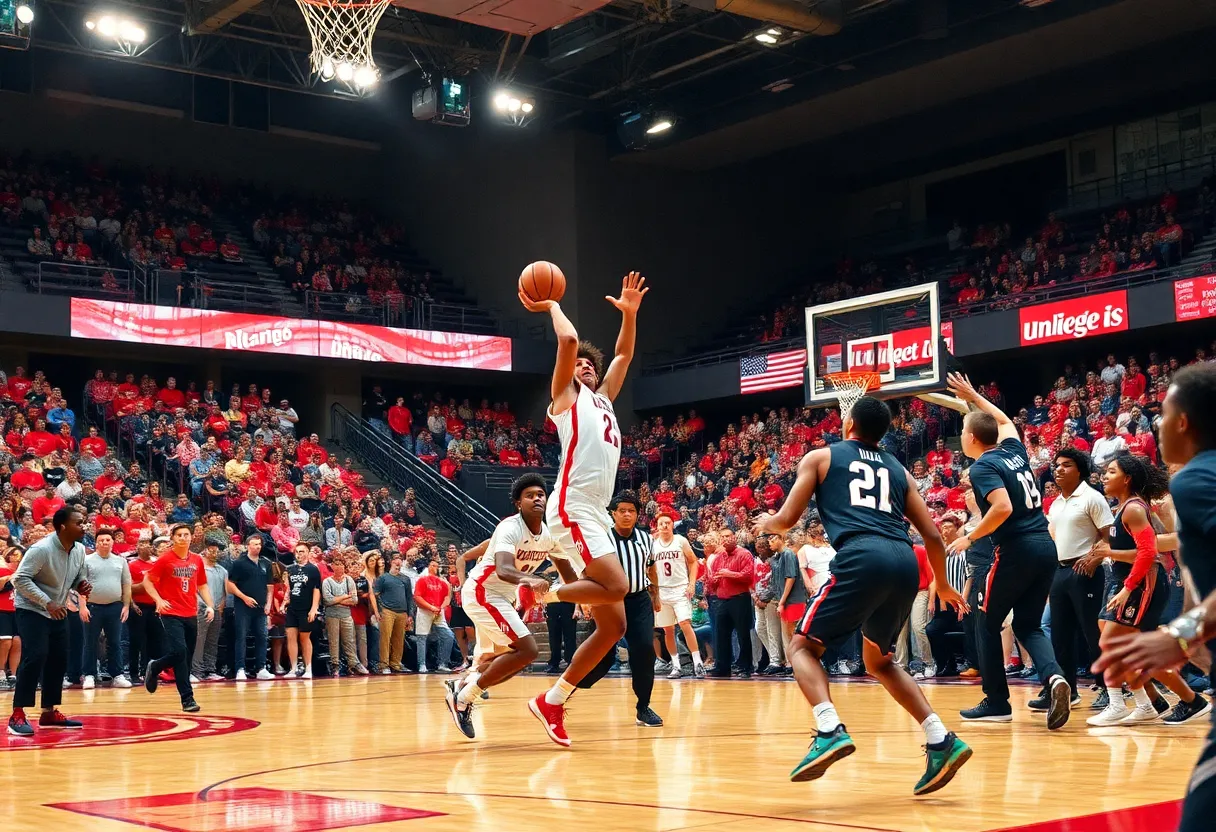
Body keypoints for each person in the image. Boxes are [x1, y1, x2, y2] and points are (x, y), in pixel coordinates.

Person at [754, 396, 970, 795]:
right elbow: (934, 535)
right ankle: (941, 739)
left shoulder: (820, 458)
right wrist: (940, 581)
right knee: (880, 660)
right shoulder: (899, 469)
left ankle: (828, 727)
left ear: (848, 422)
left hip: (862, 555)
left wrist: (767, 521)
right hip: (905, 560)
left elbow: (786, 520)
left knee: (801, 646)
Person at [519, 270, 648, 747]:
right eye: (580, 366)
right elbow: (570, 339)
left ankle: (552, 700)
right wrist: (550, 303)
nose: (587, 367)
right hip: (573, 504)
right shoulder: (565, 399)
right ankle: (545, 592)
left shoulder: (605, 400)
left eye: (590, 366)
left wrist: (630, 316)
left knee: (612, 624)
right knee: (618, 584)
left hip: (594, 507)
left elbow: (624, 354)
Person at [1094, 363, 1216, 831]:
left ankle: (1141, 704)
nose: (1156, 425)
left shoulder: (1195, 481)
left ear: (1182, 422)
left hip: (1138, 584)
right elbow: (1183, 553)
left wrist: (1176, 638)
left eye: (1162, 414)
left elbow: (1150, 551)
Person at [945, 373, 1071, 729]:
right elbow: (1004, 420)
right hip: (1045, 547)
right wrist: (973, 395)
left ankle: (997, 702)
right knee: (1029, 624)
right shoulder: (1014, 452)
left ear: (970, 438)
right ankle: (1055, 678)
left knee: (986, 622)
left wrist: (970, 536)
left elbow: (1001, 508)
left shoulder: (983, 465)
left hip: (1015, 549)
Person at [1085, 454, 1209, 726]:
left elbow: (1149, 552)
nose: (1104, 476)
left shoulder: (1134, 509)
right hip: (1125, 581)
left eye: (1111, 472)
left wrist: (1127, 585)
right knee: (1116, 639)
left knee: (1114, 644)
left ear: (1127, 478)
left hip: (1141, 583)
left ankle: (1125, 703)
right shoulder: (1123, 508)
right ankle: (1151, 702)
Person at [445, 473, 564, 740]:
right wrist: (532, 580)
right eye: (529, 495)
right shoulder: (509, 528)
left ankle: (462, 685)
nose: (537, 498)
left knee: (509, 660)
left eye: (540, 494)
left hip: (503, 599)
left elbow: (569, 570)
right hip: (482, 591)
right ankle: (463, 699)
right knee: (527, 650)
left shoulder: (548, 536)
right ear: (518, 503)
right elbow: (504, 569)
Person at [574, 491, 663, 727]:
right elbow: (585, 570)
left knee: (644, 650)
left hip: (639, 599)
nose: (626, 514)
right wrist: (583, 599)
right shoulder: (601, 539)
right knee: (602, 658)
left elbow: (651, 569)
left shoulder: (647, 539)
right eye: (622, 510)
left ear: (637, 515)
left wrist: (656, 594)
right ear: (613, 514)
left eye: (631, 511)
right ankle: (567, 689)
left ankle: (643, 707)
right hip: (608, 601)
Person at [7, 506, 92, 736]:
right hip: (32, 609)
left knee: (58, 658)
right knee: (36, 655)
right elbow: (20, 579)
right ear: (62, 526)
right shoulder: (41, 549)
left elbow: (77, 576)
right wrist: (47, 602)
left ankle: (48, 712)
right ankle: (17, 714)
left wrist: (80, 584)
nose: (83, 526)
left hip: (58, 609)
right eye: (78, 522)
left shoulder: (80, 550)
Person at [1041, 448, 1112, 711]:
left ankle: (1108, 689)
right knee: (1060, 635)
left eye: (1066, 465)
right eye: (1057, 465)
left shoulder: (1092, 498)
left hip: (1086, 570)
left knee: (1092, 633)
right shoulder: (1057, 503)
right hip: (1059, 572)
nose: (1058, 469)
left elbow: (1109, 535)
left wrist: (1094, 559)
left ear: (1079, 470)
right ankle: (1065, 690)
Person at [142, 524, 213, 712]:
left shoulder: (197, 560)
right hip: (171, 613)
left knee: (185, 658)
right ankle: (186, 697)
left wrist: (210, 606)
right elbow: (147, 581)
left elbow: (202, 585)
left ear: (191, 538)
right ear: (173, 538)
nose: (183, 538)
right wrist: (158, 600)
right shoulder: (165, 559)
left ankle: (156, 666)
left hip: (191, 612)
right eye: (179, 535)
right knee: (180, 651)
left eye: (186, 535)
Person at [652, 513, 704, 678]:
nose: (665, 526)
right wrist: (653, 590)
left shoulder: (680, 541)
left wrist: (691, 583)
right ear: (657, 526)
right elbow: (649, 569)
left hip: (680, 589)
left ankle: (698, 663)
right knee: (668, 629)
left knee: (685, 623)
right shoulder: (653, 545)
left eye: (668, 523)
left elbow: (693, 561)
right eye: (662, 523)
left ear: (672, 525)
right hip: (662, 590)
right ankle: (676, 666)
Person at [79, 529, 133, 689]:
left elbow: (126, 584)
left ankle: (117, 674)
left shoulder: (121, 561)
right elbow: (80, 584)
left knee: (115, 642)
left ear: (112, 542)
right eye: (101, 540)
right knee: (89, 642)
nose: (104, 542)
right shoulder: (86, 560)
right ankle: (89, 675)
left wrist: (126, 606)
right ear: (96, 543)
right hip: (92, 607)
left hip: (115, 607)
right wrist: (82, 606)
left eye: (108, 540)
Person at [226, 534, 275, 680]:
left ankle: (261, 668)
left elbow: (270, 587)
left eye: (259, 544)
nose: (257, 547)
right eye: (254, 544)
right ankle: (240, 668)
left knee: (262, 636)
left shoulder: (266, 563)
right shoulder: (239, 563)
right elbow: (230, 585)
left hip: (261, 608)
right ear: (248, 546)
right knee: (241, 636)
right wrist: (244, 598)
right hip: (243, 607)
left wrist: (268, 604)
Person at [126, 539, 161, 685]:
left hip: (155, 606)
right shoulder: (131, 565)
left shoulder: (156, 564)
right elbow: (128, 587)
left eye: (148, 544)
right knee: (136, 641)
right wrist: (132, 604)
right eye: (141, 544)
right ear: (137, 548)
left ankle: (150, 673)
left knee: (154, 641)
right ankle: (133, 674)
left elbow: (161, 585)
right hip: (138, 606)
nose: (145, 547)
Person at [190, 543, 227, 682]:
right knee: (199, 640)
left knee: (212, 641)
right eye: (212, 551)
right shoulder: (198, 569)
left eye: (217, 551)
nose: (214, 554)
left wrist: (220, 607)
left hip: (217, 609)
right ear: (204, 551)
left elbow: (224, 592)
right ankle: (196, 671)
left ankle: (210, 669)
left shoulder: (222, 570)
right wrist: (202, 605)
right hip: (201, 609)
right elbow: (194, 590)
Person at [323, 558, 366, 676]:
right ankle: (335, 665)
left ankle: (354, 663)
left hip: (346, 615)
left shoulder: (349, 580)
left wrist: (337, 600)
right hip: (332, 615)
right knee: (334, 641)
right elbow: (327, 600)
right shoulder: (327, 581)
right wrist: (344, 597)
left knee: (350, 641)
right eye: (336, 564)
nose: (339, 567)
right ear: (332, 566)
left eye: (341, 564)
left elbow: (354, 600)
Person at [284, 542, 321, 678]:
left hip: (306, 608)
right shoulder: (291, 569)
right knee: (290, 636)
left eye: (302, 551)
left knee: (304, 638)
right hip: (292, 607)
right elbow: (289, 589)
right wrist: (284, 602)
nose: (299, 554)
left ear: (307, 553)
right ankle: (293, 669)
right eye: (297, 552)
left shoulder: (313, 569)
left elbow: (316, 589)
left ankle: (308, 668)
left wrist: (314, 608)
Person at [413, 558, 455, 674]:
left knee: (448, 635)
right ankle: (421, 664)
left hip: (438, 611)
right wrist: (431, 607)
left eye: (436, 566)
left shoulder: (442, 582)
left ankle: (443, 663)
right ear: (428, 567)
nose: (434, 567)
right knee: (422, 638)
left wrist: (440, 607)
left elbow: (447, 597)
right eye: (432, 565)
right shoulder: (422, 580)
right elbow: (417, 597)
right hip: (424, 610)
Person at [374, 555, 414, 673]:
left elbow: (409, 597)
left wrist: (410, 614)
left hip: (402, 612)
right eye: (396, 560)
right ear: (391, 562)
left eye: (400, 561)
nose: (398, 563)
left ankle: (396, 663)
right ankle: (383, 665)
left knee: (399, 639)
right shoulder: (383, 578)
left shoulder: (406, 579)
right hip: (387, 611)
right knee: (385, 638)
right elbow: (376, 595)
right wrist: (380, 610)